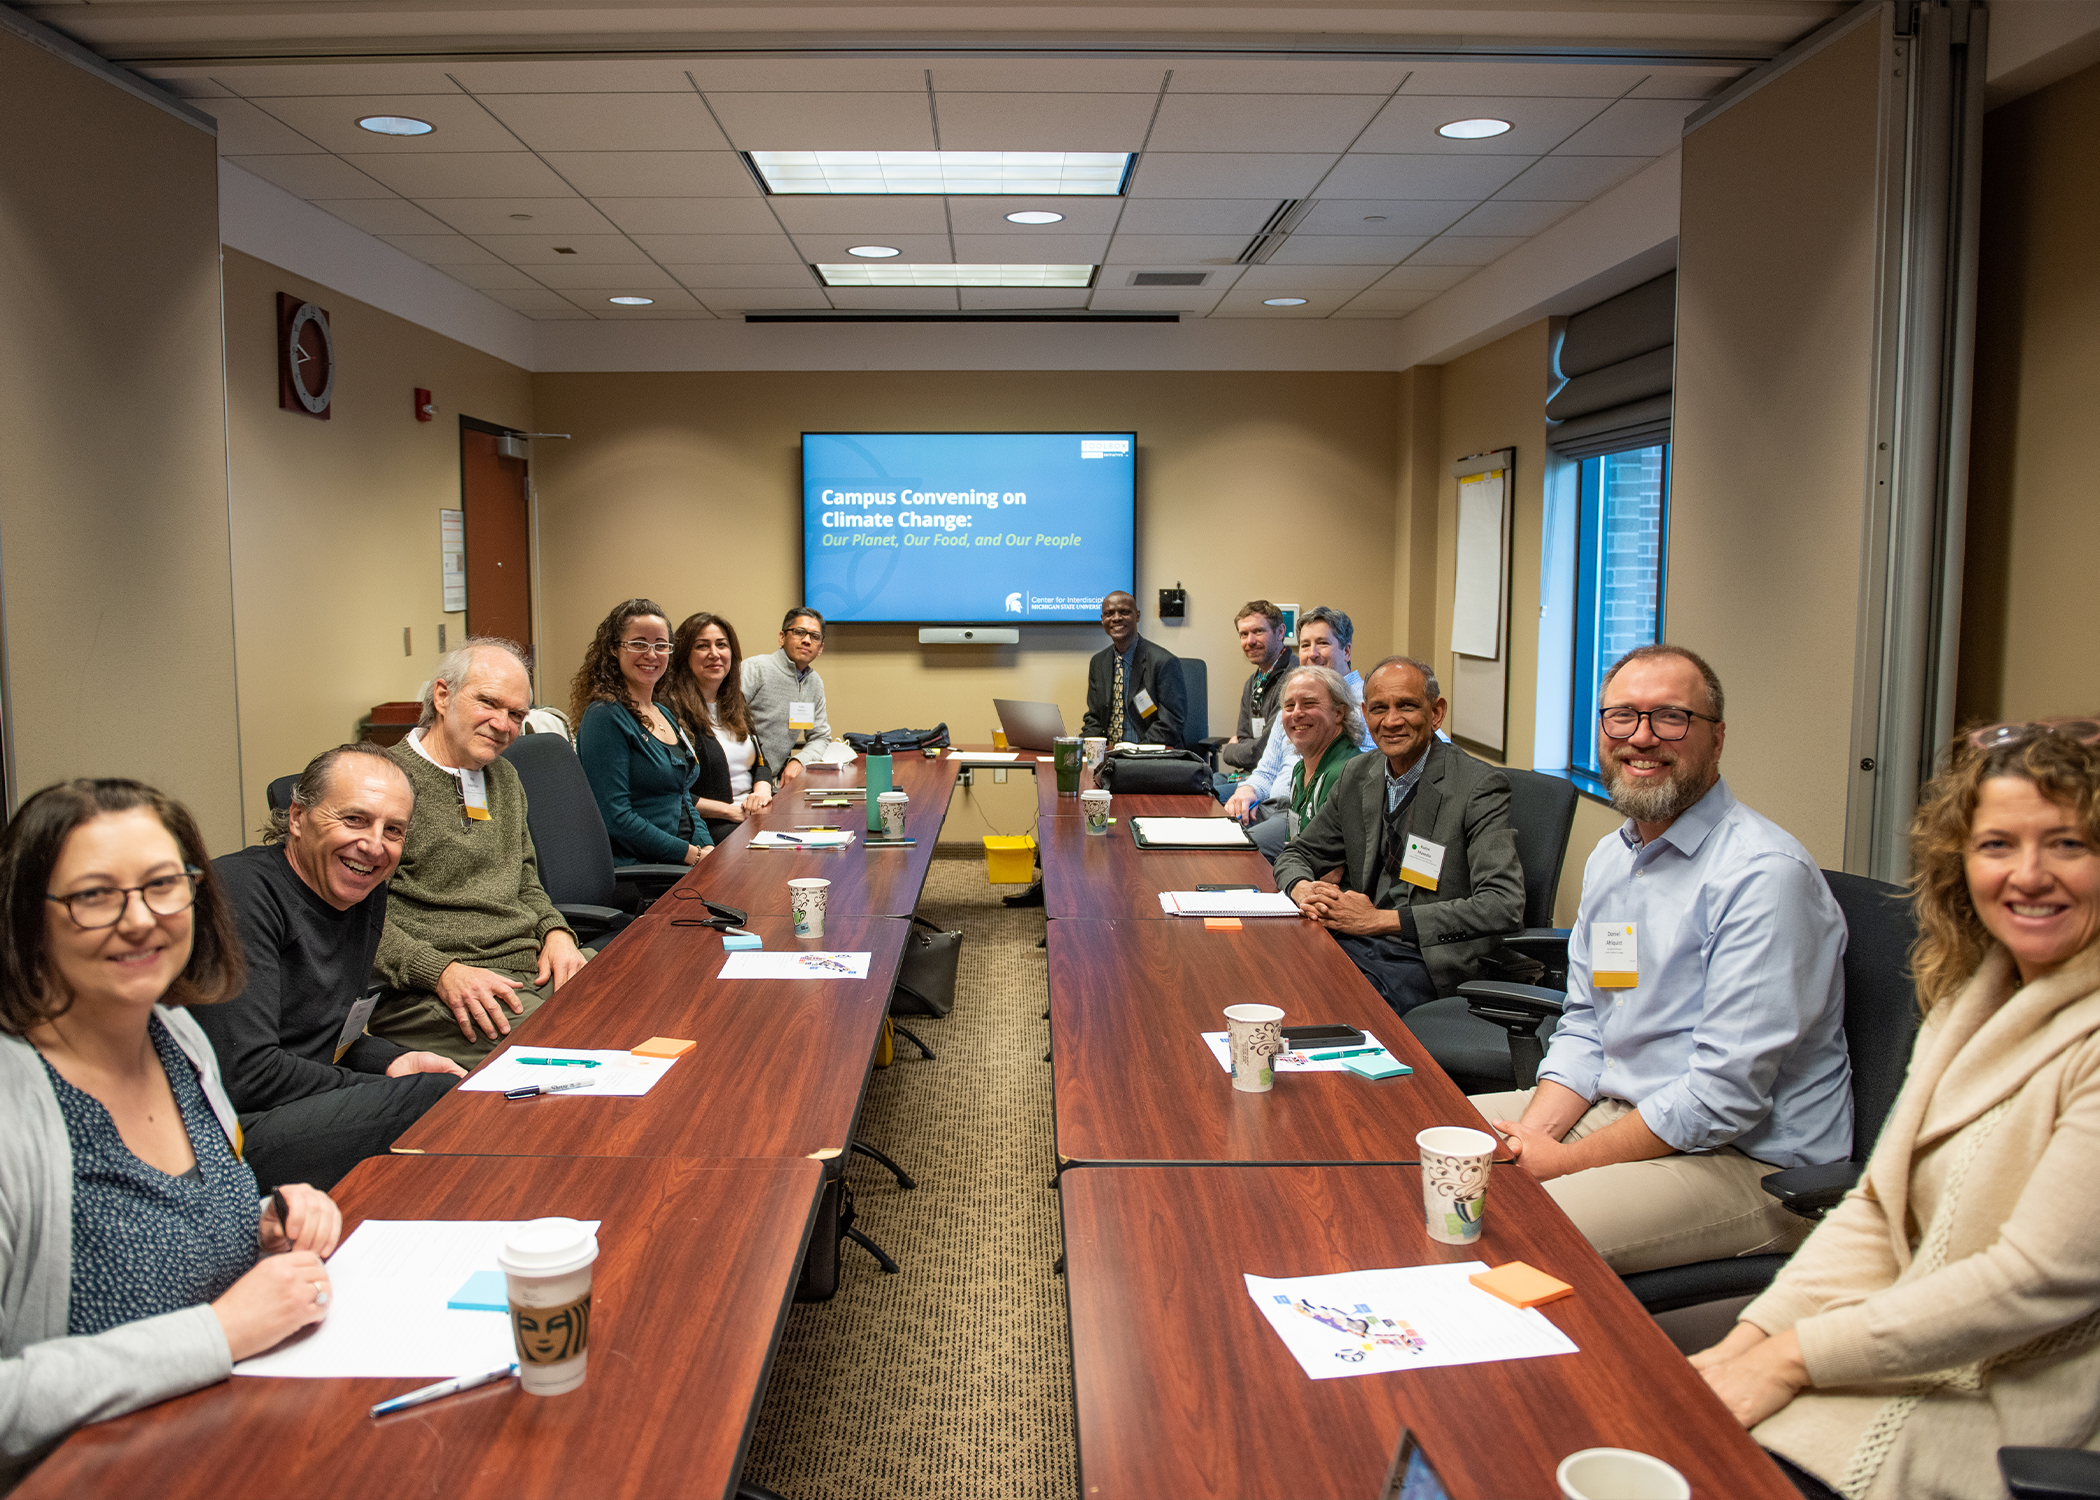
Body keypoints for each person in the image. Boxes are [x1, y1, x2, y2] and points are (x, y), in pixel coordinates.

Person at [1689, 719, 2100, 1500]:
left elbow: (2028, 1281)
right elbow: (1875, 1205)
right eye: (1997, 845)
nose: (2029, 874)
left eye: (2068, 845)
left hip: (2007, 1411)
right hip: (1879, 1346)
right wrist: (1750, 1340)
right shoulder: (1973, 996)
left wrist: (1789, 1358)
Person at [0, 779, 342, 1484]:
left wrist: (264, 1226)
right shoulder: (15, 1103)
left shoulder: (176, 1036)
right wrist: (218, 1334)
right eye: (95, 895)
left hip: (230, 1433)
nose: (140, 919)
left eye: (163, 884)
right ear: (28, 916)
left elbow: (149, 1226)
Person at [1472, 644, 1851, 1276]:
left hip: (1748, 1162)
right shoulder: (1613, 857)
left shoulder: (1762, 875)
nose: (1641, 738)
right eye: (1621, 717)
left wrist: (1560, 1162)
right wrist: (1533, 1138)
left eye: (1670, 718)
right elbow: (1588, 1024)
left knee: (1506, 1232)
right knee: (1424, 1155)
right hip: (1623, 1112)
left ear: (1717, 738)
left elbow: (1722, 1096)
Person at [195, 744, 464, 1193]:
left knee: (440, 1085)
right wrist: (375, 1086)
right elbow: (248, 1073)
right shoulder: (240, 895)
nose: (375, 845)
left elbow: (325, 1036)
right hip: (227, 1135)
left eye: (393, 830)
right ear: (297, 817)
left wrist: (393, 1060)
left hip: (295, 1105)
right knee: (434, 1100)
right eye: (355, 819)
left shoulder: (362, 888)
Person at [368, 638, 589, 1068]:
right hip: (437, 986)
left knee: (635, 991)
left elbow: (524, 878)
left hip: (526, 965)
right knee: (576, 1045)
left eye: (517, 714)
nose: (503, 724)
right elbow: (355, 921)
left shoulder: (503, 776)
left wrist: (556, 932)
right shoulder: (385, 785)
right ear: (442, 695)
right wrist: (440, 971)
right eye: (488, 703)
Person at [1274, 656, 1524, 1015]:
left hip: (1426, 958)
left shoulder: (1477, 786)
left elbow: (1503, 904)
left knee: (1331, 1007)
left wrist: (1380, 920)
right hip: (1359, 941)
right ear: (1365, 713)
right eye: (1378, 709)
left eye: (1406, 706)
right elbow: (1296, 855)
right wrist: (1302, 888)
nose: (1391, 721)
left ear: (1436, 713)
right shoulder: (1358, 775)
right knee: (1279, 973)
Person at [571, 598, 713, 868]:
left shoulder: (664, 713)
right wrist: (691, 855)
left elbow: (682, 797)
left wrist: (706, 846)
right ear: (614, 649)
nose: (651, 654)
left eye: (661, 645)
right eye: (638, 644)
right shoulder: (605, 717)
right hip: (645, 869)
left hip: (684, 860)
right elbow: (616, 818)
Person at [1226, 606, 1373, 858]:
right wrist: (1247, 790)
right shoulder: (1295, 699)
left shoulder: (1366, 703)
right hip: (1269, 805)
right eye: (1305, 645)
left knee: (1236, 852)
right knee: (1212, 831)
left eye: (1322, 643)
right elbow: (1267, 769)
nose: (1312, 654)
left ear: (1346, 650)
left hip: (1308, 814)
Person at [662, 611, 775, 845]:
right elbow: (671, 791)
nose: (714, 654)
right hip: (711, 828)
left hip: (752, 818)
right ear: (684, 656)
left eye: (721, 645)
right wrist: (729, 812)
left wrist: (762, 791)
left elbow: (761, 762)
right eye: (702, 646)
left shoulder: (735, 703)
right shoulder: (670, 710)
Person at [1080, 591, 1186, 748]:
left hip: (1149, 756)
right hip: (1109, 757)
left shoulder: (1164, 663)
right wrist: (1082, 746)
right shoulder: (1098, 662)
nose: (1116, 618)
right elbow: (1095, 719)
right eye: (1109, 614)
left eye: (1124, 612)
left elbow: (1170, 724)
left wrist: (1136, 752)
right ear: (1102, 620)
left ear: (1137, 616)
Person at [742, 607, 833, 786]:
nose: (806, 640)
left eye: (814, 636)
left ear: (820, 648)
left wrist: (799, 761)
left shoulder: (814, 683)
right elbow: (723, 724)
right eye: (799, 632)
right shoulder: (756, 669)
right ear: (782, 637)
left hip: (777, 784)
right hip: (742, 784)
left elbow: (820, 737)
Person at [1276, 665, 1366, 842]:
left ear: (1339, 712)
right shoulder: (1300, 770)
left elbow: (1332, 866)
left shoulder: (1345, 775)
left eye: (1309, 703)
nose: (1296, 713)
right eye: (1289, 706)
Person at [1218, 599, 1295, 775]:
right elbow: (1245, 738)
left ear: (1280, 632)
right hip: (1249, 773)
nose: (1250, 641)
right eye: (1243, 634)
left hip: (1276, 778)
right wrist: (1246, 749)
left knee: (1209, 794)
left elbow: (1261, 750)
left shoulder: (1294, 679)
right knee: (1204, 783)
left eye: (1258, 631)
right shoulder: (1251, 683)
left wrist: (1229, 751)